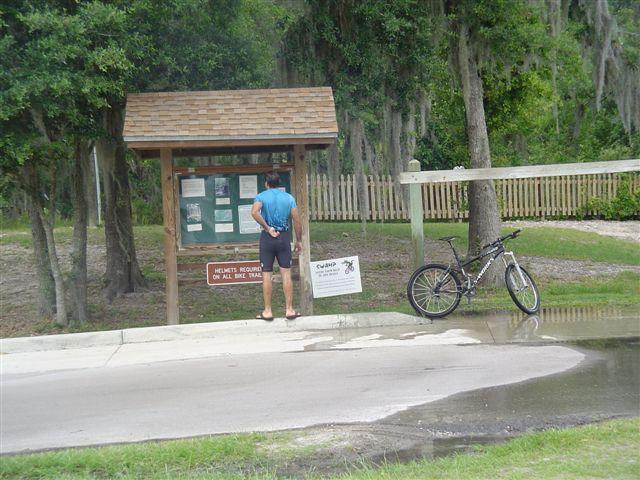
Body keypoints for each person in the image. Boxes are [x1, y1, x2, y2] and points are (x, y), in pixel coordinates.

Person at [251, 172, 303, 321]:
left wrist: (267, 228)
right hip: (284, 238)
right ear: (279, 184)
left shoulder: (261, 196)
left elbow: (254, 212)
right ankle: (289, 310)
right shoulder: (289, 198)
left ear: (267, 184)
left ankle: (267, 311)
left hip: (267, 238)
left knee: (266, 274)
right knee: (286, 274)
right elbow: (297, 220)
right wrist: (298, 240)